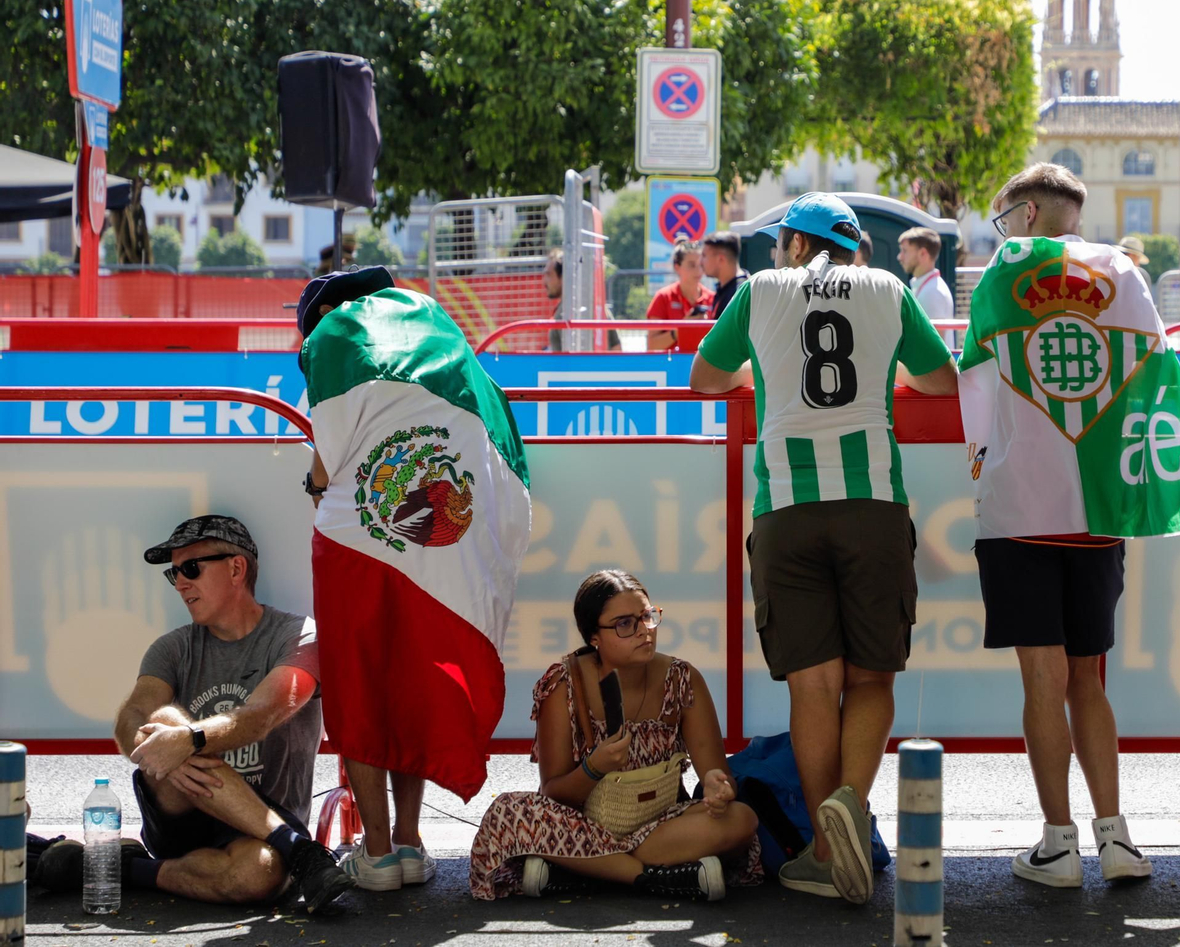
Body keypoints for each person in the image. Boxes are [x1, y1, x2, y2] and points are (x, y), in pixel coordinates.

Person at [688, 192, 957, 904]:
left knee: (812, 684)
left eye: (784, 242)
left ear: (800, 246)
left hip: (786, 510)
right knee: (871, 680)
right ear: (853, 246)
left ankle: (818, 847)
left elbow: (705, 379)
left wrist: (762, 378)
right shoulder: (889, 290)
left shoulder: (757, 293)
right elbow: (940, 379)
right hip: (873, 505)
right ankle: (849, 804)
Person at [965, 162, 1176, 889]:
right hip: (1101, 501)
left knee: (1041, 677)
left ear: (1025, 217)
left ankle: (1057, 845)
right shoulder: (1123, 270)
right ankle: (1115, 838)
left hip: (1021, 504)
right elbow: (1153, 369)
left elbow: (973, 380)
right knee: (1088, 678)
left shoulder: (1004, 270)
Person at [298, 266, 533, 894]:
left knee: (360, 684)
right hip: (435, 551)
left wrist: (315, 487)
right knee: (412, 681)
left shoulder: (330, 343)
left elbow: (325, 470)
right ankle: (408, 840)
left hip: (356, 544)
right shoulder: (438, 332)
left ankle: (373, 853)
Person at [33, 516, 353, 912]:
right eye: (174, 573)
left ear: (236, 568)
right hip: (180, 814)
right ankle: (301, 851)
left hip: (266, 823)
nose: (180, 583)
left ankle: (128, 868)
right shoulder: (172, 647)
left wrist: (189, 743)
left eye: (191, 568)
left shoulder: (298, 635)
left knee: (260, 876)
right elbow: (132, 713)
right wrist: (164, 747)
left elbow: (264, 714)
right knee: (164, 720)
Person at [469, 570, 760, 902]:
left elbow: (718, 774)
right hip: (580, 825)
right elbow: (554, 794)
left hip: (660, 826)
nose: (644, 632)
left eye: (648, 617)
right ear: (594, 635)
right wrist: (594, 767)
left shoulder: (682, 678)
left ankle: (586, 870)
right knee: (508, 812)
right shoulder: (563, 683)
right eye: (625, 624)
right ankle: (650, 878)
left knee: (741, 818)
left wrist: (717, 787)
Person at [543, 249, 621, 351]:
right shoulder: (597, 306)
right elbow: (616, 347)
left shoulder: (567, 312)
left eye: (549, 275)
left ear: (564, 277)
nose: (544, 281)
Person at [647, 238, 716, 352]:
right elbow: (652, 345)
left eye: (701, 264)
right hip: (672, 366)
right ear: (677, 267)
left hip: (704, 366)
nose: (698, 270)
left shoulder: (712, 298)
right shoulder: (663, 297)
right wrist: (682, 328)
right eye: (691, 265)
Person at [897, 227, 956, 347]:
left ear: (923, 253)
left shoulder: (933, 292)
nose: (900, 257)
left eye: (905, 251)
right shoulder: (930, 287)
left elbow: (934, 347)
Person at [702, 232, 749, 320]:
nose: (700, 262)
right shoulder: (726, 288)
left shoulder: (738, 295)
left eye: (704, 256)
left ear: (721, 259)